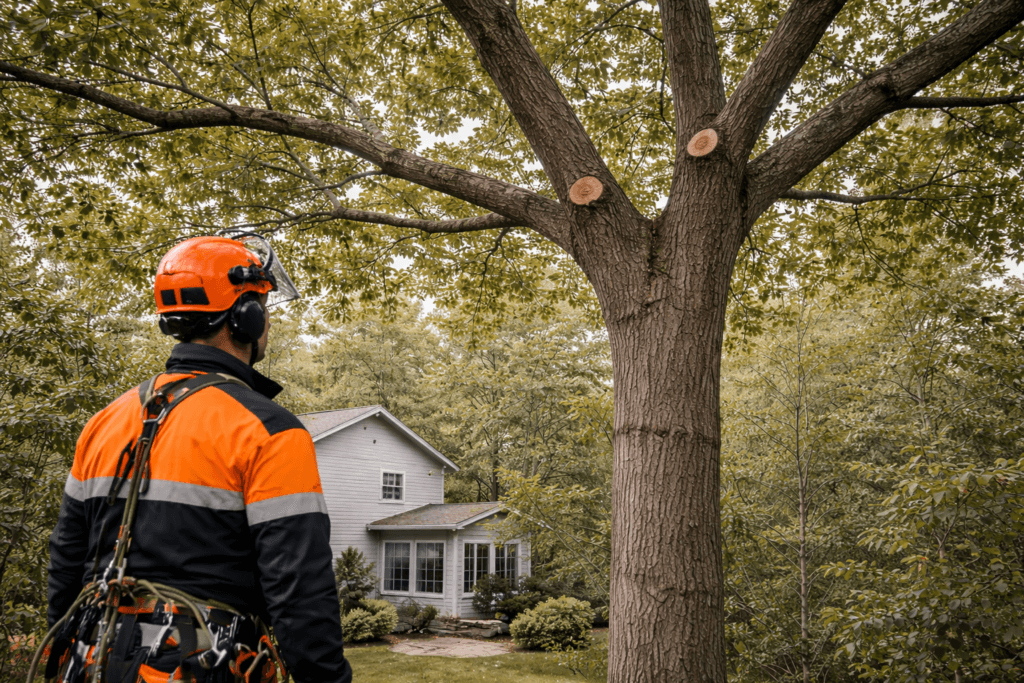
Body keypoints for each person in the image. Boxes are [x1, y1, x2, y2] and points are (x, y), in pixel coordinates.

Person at [46, 234, 352, 683]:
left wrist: (61, 653)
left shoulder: (105, 422)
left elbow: (66, 561)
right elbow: (299, 588)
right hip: (202, 666)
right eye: (262, 307)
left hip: (91, 661)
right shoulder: (269, 430)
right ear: (245, 318)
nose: (267, 320)